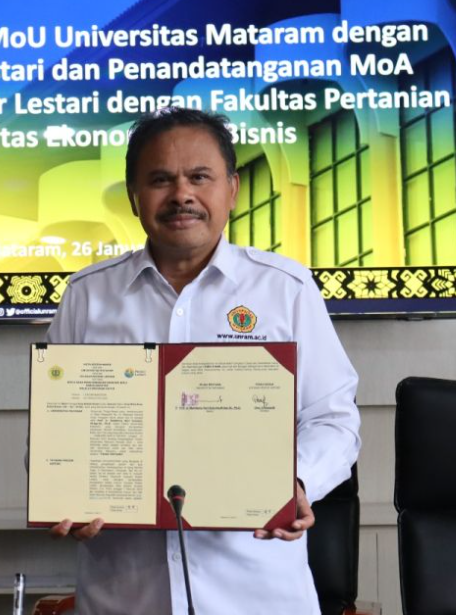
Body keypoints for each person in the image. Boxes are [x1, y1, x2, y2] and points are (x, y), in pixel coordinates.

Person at [46, 108, 361, 614]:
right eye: (160, 180)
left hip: (256, 595)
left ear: (232, 189)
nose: (181, 195)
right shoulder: (88, 295)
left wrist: (296, 481)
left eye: (199, 177)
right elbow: (54, 434)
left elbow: (333, 419)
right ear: (134, 196)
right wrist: (65, 493)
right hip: (126, 595)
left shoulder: (285, 289)